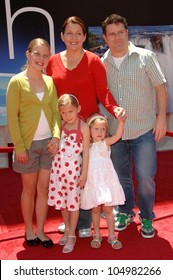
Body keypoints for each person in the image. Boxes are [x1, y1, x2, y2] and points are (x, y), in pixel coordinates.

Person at [46, 16, 126, 238]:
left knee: (87, 176)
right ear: (62, 36)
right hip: (65, 133)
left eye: (78, 33)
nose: (74, 38)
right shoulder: (52, 62)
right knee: (69, 177)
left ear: (84, 37)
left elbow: (103, 93)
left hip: (90, 133)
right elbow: (50, 100)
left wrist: (115, 109)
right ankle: (76, 222)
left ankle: (82, 223)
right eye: (69, 33)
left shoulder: (93, 61)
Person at [101, 14, 167, 238]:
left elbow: (160, 87)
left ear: (127, 32)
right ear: (105, 37)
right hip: (116, 134)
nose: (117, 37)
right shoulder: (101, 63)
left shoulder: (145, 56)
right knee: (121, 177)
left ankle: (147, 215)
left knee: (146, 176)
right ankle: (125, 211)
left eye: (121, 32)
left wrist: (162, 118)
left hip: (144, 130)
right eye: (112, 34)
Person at [6, 38, 61, 247]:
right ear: (28, 55)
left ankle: (41, 230)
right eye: (37, 54)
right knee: (29, 190)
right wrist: (19, 147)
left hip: (48, 145)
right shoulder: (16, 82)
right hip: (27, 147)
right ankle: (28, 230)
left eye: (46, 55)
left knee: (44, 189)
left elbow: (56, 113)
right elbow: (12, 117)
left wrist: (56, 136)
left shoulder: (50, 81)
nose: (41, 59)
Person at [48, 94, 90, 253]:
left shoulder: (83, 127)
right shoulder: (62, 125)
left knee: (73, 203)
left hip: (74, 171)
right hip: (59, 170)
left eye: (71, 112)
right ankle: (66, 228)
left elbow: (86, 153)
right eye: (64, 113)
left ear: (78, 109)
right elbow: (56, 145)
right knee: (62, 202)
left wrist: (84, 174)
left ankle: (72, 234)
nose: (67, 116)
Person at [80, 113, 125, 249]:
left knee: (108, 209)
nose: (100, 132)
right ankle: (97, 234)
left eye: (103, 129)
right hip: (93, 182)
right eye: (96, 129)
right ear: (89, 130)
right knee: (95, 210)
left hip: (106, 181)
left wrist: (121, 122)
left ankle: (112, 235)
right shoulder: (86, 145)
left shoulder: (105, 143)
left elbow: (117, 136)